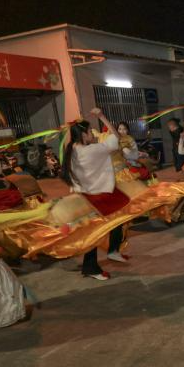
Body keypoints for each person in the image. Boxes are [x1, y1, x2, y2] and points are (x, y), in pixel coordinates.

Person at [62, 108, 128, 279]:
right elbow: (116, 138)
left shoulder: (72, 149)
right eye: (90, 131)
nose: (92, 133)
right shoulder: (91, 150)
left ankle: (113, 250)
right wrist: (101, 116)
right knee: (95, 232)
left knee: (115, 220)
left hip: (86, 196)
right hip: (96, 197)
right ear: (83, 135)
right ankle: (91, 267)